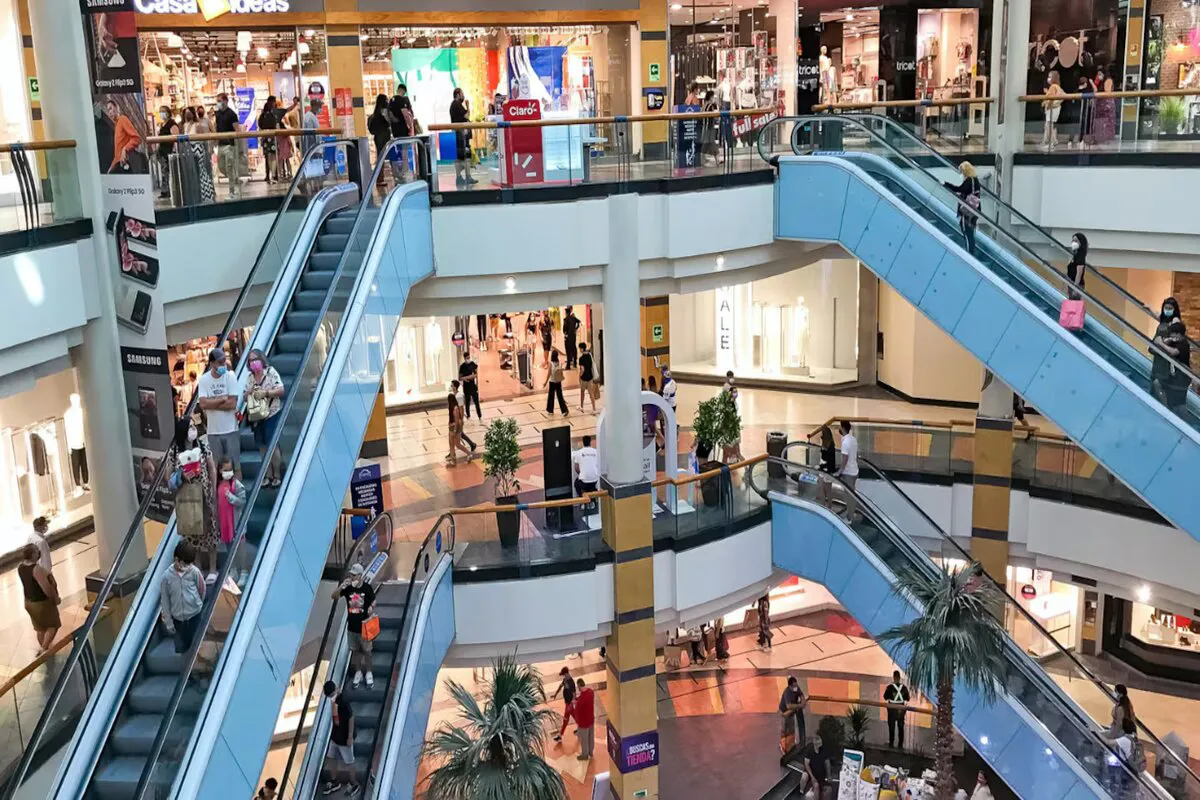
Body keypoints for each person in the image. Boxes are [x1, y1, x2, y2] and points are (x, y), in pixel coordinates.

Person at [170, 420, 220, 581]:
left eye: (193, 426)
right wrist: (181, 476)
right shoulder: (175, 451)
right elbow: (168, 477)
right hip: (187, 497)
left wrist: (213, 490)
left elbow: (211, 467)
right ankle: (198, 568)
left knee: (210, 531)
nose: (193, 430)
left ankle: (213, 569)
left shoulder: (203, 445)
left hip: (205, 494)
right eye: (190, 427)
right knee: (192, 534)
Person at [197, 347, 241, 479]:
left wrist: (212, 403)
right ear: (212, 364)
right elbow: (202, 404)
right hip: (213, 431)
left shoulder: (230, 376)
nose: (223, 365)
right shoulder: (204, 380)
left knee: (235, 466)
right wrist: (222, 399)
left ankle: (239, 494)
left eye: (224, 361)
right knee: (216, 468)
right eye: (220, 362)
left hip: (231, 429)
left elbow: (232, 404)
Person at [243, 348, 284, 487]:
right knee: (262, 446)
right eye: (250, 360)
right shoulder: (250, 378)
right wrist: (249, 393)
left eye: (255, 359)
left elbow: (281, 390)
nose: (253, 363)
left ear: (261, 359)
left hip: (271, 413)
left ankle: (277, 474)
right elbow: (243, 397)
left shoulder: (271, 372)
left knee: (272, 444)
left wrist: (265, 392)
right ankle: (267, 474)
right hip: (256, 416)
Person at [332, 562, 376, 688]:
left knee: (367, 651)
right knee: (355, 651)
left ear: (361, 576)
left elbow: (373, 601)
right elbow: (333, 596)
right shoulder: (348, 588)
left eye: (354, 576)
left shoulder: (367, 588)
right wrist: (341, 587)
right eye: (351, 575)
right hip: (352, 627)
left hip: (364, 626)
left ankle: (368, 672)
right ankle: (358, 672)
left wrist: (371, 608)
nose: (352, 578)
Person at [159, 540, 205, 654]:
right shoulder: (167, 577)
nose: (186, 567)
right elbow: (165, 601)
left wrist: (197, 603)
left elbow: (202, 589)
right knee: (181, 649)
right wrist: (168, 623)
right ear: (176, 559)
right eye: (184, 563)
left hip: (194, 617)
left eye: (189, 564)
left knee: (197, 648)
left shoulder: (194, 572)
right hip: (178, 621)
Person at [320, 680, 360, 796]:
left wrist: (350, 737)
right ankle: (334, 781)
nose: (331, 697)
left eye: (332, 695)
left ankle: (354, 783)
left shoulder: (343, 701)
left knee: (349, 762)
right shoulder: (335, 702)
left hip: (344, 738)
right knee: (332, 758)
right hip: (335, 736)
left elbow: (351, 718)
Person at [19, 543, 59, 654]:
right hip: (41, 603)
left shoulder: (21, 567)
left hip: (28, 602)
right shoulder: (36, 569)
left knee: (40, 628)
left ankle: (43, 647)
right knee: (53, 626)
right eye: (37, 551)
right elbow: (46, 588)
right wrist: (55, 598)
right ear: (32, 554)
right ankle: (44, 649)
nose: (39, 553)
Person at [215, 458, 248, 588]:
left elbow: (242, 501)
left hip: (236, 523)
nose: (228, 472)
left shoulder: (237, 485)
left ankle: (244, 571)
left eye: (230, 469)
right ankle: (233, 569)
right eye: (225, 469)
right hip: (225, 523)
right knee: (229, 547)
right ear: (219, 470)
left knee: (240, 548)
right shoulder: (218, 485)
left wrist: (231, 498)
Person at [943, 161, 981, 255]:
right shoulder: (975, 180)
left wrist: (946, 184)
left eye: (961, 172)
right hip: (975, 210)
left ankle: (969, 254)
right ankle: (970, 251)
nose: (961, 174)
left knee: (967, 231)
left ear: (965, 171)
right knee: (970, 231)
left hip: (968, 210)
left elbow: (960, 189)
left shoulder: (969, 180)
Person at [181, 107, 215, 203]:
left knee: (201, 171)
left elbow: (202, 139)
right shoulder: (184, 125)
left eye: (189, 113)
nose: (187, 115)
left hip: (197, 149)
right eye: (186, 113)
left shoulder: (197, 125)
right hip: (188, 150)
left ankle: (206, 194)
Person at [213, 92, 243, 199]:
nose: (218, 103)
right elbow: (217, 127)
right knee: (221, 167)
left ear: (225, 101)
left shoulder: (232, 114)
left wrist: (239, 145)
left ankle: (232, 191)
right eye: (217, 101)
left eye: (220, 101)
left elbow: (237, 129)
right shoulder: (217, 114)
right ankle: (234, 178)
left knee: (229, 167)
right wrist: (215, 141)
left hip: (229, 144)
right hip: (220, 145)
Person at [450, 88, 477, 187]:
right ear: (457, 94)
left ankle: (460, 177)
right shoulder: (457, 104)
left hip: (458, 133)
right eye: (462, 93)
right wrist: (468, 106)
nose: (463, 95)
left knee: (459, 156)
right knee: (465, 154)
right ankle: (467, 176)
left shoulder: (454, 105)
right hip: (460, 133)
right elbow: (466, 116)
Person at [836, 420, 859, 522]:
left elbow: (845, 459)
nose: (839, 429)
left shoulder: (845, 443)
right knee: (852, 494)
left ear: (843, 428)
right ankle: (851, 514)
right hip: (855, 470)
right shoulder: (853, 439)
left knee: (849, 496)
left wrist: (839, 471)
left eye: (840, 427)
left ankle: (849, 518)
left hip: (848, 472)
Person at [778, 676, 807, 753]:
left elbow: (801, 695)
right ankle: (783, 746)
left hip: (791, 713)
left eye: (796, 685)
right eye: (793, 686)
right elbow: (789, 705)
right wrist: (800, 705)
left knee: (791, 729)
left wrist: (803, 702)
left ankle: (791, 745)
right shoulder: (787, 692)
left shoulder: (797, 688)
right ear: (790, 686)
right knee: (784, 729)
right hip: (785, 713)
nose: (795, 687)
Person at [156, 106, 179, 199]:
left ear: (168, 113)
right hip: (162, 151)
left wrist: (174, 149)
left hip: (168, 151)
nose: (161, 113)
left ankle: (168, 191)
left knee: (167, 171)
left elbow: (175, 137)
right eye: (160, 111)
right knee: (164, 172)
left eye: (163, 111)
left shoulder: (172, 124)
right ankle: (165, 190)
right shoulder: (162, 125)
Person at [884, 670, 911, 749]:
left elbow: (885, 697)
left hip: (892, 709)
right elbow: (908, 698)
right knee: (901, 727)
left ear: (894, 677)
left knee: (891, 727)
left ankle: (891, 743)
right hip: (901, 710)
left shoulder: (890, 687)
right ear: (899, 678)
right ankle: (900, 745)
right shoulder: (904, 688)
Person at [1091, 68, 1117, 146]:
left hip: (1106, 104)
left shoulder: (1108, 80)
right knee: (1099, 121)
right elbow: (1095, 91)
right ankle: (1099, 138)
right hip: (1100, 104)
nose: (1098, 76)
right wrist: (1095, 83)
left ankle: (1106, 139)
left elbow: (1107, 92)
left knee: (1106, 122)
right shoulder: (1100, 82)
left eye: (1100, 74)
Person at [449, 380, 478, 452]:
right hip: (457, 417)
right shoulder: (455, 395)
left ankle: (471, 445)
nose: (451, 387)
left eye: (452, 385)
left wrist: (461, 419)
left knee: (457, 434)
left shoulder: (458, 396)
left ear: (455, 387)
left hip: (458, 418)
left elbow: (461, 408)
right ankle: (472, 444)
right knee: (460, 434)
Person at [446, 392, 474, 465]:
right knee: (457, 444)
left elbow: (456, 419)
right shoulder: (456, 407)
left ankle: (453, 460)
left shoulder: (454, 408)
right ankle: (468, 454)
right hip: (456, 427)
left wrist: (454, 428)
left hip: (453, 428)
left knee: (452, 445)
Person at [257, 95, 281, 182]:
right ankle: (274, 175)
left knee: (269, 156)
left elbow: (260, 124)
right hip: (272, 137)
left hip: (266, 137)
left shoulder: (264, 114)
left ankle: (270, 175)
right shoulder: (273, 114)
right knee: (273, 156)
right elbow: (276, 125)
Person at [572, 677, 596, 760]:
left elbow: (577, 711)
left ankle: (585, 754)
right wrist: (578, 700)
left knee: (584, 739)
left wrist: (575, 703)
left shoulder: (581, 700)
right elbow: (583, 698)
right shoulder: (591, 692)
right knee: (591, 736)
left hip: (583, 723)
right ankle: (591, 752)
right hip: (591, 720)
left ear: (578, 686)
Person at [551, 666, 576, 742]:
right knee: (574, 716)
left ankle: (560, 735)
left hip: (569, 703)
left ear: (566, 673)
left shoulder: (571, 682)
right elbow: (560, 686)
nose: (563, 676)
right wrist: (555, 694)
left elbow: (574, 694)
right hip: (567, 703)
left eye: (564, 674)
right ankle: (581, 728)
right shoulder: (565, 680)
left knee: (566, 719)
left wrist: (572, 704)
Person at [816, 426, 838, 510]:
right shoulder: (824, 443)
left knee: (828, 491)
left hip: (827, 470)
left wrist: (822, 467)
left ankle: (829, 507)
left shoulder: (830, 446)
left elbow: (829, 460)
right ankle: (823, 507)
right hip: (823, 469)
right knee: (822, 489)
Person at [1042, 71, 1065, 150]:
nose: (1048, 79)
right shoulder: (1058, 87)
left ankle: (1051, 142)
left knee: (1049, 125)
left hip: (1052, 108)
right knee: (1050, 125)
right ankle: (1053, 141)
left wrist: (1045, 104)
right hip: (1056, 108)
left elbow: (1049, 98)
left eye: (1050, 77)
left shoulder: (1053, 87)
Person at [458, 350, 482, 419]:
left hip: (473, 385)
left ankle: (479, 415)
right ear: (464, 358)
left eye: (469, 357)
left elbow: (475, 373)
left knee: (476, 401)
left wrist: (473, 376)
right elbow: (460, 378)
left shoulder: (472, 364)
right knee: (467, 401)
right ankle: (468, 414)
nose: (468, 359)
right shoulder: (462, 367)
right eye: (467, 358)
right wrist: (467, 377)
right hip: (466, 386)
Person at [545, 349, 569, 417]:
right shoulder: (559, 363)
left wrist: (545, 382)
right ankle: (564, 410)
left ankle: (550, 410)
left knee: (551, 396)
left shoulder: (551, 363)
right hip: (558, 382)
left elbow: (549, 373)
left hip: (552, 382)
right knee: (560, 396)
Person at [1066, 232, 1089, 299]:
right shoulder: (1075, 254)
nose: (1073, 242)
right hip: (1071, 284)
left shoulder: (1080, 256)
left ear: (1081, 243)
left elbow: (1079, 273)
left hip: (1076, 285)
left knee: (1074, 304)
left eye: (1076, 241)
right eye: (1073, 240)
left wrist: (1075, 288)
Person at [577, 341, 598, 412]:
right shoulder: (589, 356)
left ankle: (582, 406)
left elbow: (582, 369)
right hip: (590, 377)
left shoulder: (581, 358)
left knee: (582, 392)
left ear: (582, 349)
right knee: (591, 393)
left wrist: (579, 376)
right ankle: (594, 408)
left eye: (580, 348)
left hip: (584, 378)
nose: (579, 350)